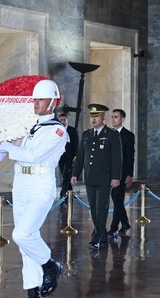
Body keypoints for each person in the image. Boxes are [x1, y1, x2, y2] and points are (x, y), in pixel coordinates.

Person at [0, 79, 67, 298]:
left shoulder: (58, 130)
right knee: (27, 243)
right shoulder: (26, 125)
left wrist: (9, 145)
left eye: (41, 100)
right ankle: (32, 296)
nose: (36, 104)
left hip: (40, 185)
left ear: (53, 102)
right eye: (34, 99)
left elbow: (34, 156)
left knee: (22, 234)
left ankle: (51, 265)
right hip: (21, 184)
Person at [71, 103, 122, 250]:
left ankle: (98, 236)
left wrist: (116, 177)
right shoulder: (87, 135)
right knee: (93, 207)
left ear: (103, 117)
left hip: (106, 178)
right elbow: (80, 156)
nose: (93, 120)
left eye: (96, 116)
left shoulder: (112, 135)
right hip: (90, 177)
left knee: (102, 206)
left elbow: (117, 158)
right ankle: (103, 234)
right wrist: (75, 173)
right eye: (92, 116)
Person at [108, 108, 135, 238]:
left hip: (122, 174)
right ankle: (125, 222)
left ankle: (114, 227)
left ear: (122, 119)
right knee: (116, 198)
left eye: (116, 117)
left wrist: (129, 174)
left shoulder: (128, 136)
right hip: (110, 173)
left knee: (118, 199)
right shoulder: (108, 134)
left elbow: (130, 156)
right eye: (112, 117)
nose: (113, 119)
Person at [56, 112, 79, 199]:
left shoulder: (72, 130)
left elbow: (76, 144)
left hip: (70, 157)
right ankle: (70, 193)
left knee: (66, 175)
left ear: (67, 120)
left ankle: (63, 195)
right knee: (64, 175)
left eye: (64, 120)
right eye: (61, 120)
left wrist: (76, 156)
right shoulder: (58, 131)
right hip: (61, 157)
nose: (62, 121)